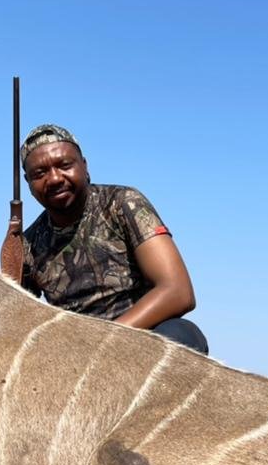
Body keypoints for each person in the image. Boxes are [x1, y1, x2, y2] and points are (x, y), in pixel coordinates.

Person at [18, 123, 209, 353]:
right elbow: (20, 323)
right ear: (28, 184)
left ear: (84, 166)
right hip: (75, 354)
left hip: (140, 338)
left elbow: (178, 292)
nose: (55, 178)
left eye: (64, 165)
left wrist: (103, 342)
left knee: (181, 335)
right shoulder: (26, 244)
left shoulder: (123, 204)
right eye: (40, 173)